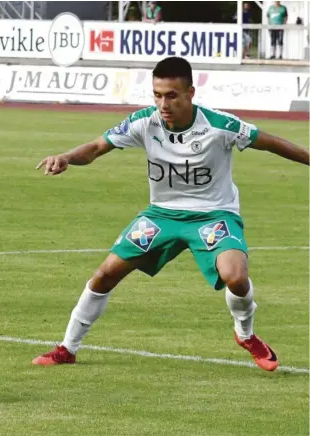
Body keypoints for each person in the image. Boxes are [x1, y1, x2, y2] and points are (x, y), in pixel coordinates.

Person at [32, 56, 308, 372]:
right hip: (161, 216)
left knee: (236, 275)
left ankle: (245, 334)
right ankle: (67, 348)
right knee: (105, 274)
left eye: (172, 95)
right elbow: (96, 147)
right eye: (158, 95)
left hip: (212, 215)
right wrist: (66, 157)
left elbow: (271, 143)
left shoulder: (220, 126)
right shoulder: (144, 122)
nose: (163, 103)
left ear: (191, 93)